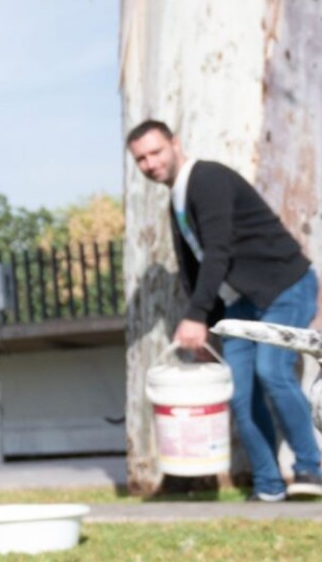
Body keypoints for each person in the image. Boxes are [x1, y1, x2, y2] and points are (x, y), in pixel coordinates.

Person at [126, 119, 322, 502]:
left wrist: (196, 316)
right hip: (243, 303)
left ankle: (312, 469)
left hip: (284, 285)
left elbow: (219, 250)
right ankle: (268, 485)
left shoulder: (207, 179)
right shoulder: (179, 199)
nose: (150, 163)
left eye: (155, 152)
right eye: (141, 159)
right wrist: (211, 324)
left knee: (272, 371)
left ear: (175, 144)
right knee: (238, 391)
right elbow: (196, 267)